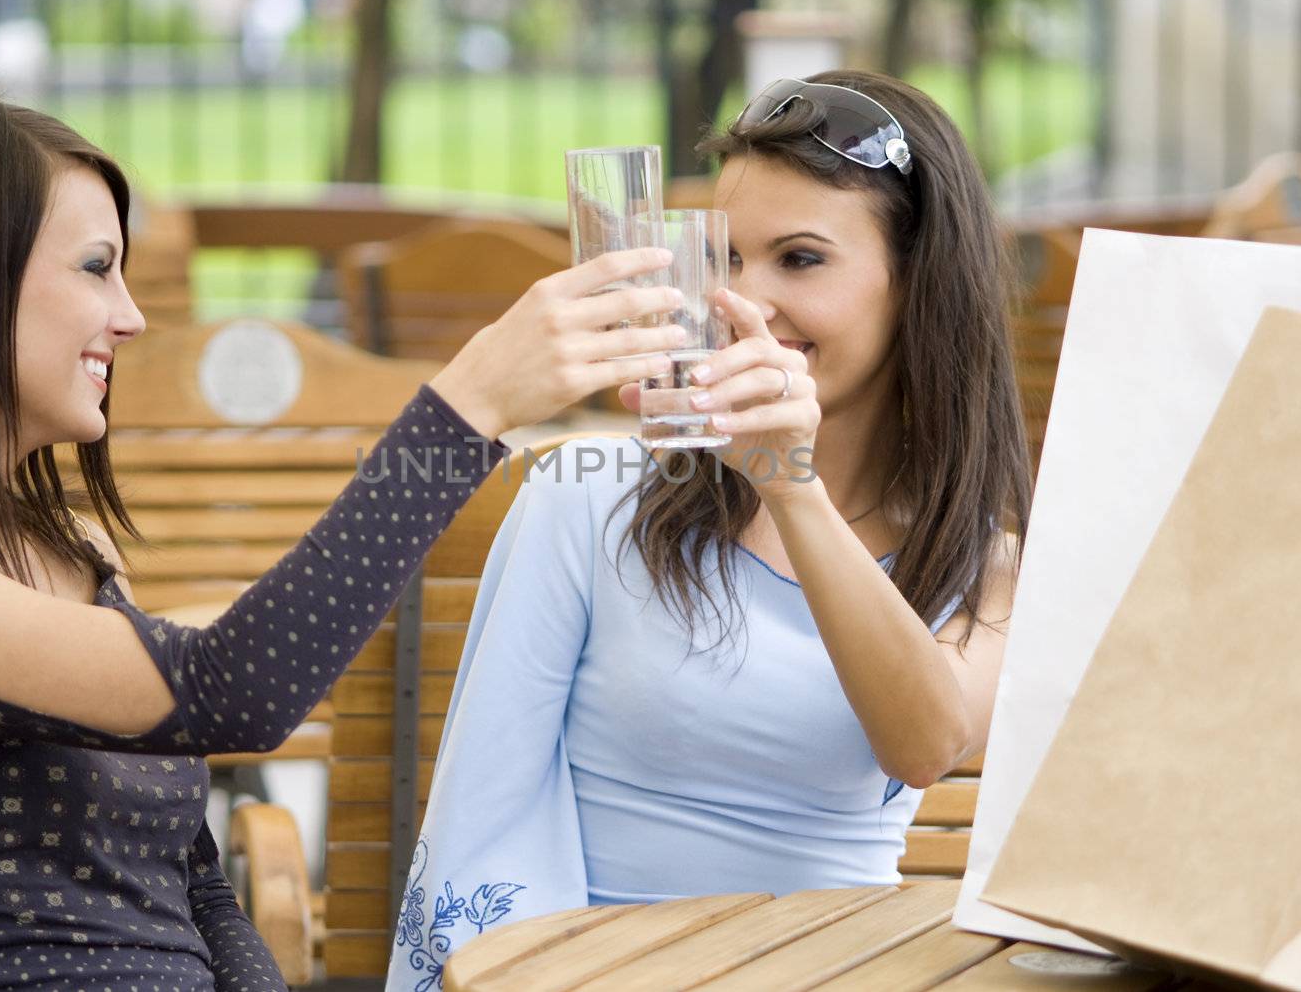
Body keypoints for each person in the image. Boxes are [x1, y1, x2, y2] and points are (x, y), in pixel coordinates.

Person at [0, 91, 690, 991]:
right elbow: (238, 691)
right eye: (96, 268)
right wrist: (470, 407)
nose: (132, 316)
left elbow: (199, 887)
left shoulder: (78, 552)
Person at [387, 70, 1032, 991]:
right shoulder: (588, 495)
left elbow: (924, 744)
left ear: (917, 282)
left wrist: (792, 489)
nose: (743, 303)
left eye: (799, 259)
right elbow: (486, 825)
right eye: (723, 258)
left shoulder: (984, 560)